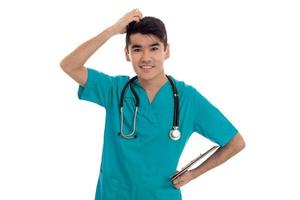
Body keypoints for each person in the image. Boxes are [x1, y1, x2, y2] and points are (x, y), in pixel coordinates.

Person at [60, 9, 245, 200]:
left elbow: (235, 142)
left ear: (167, 51)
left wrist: (193, 174)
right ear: (127, 53)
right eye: (137, 49)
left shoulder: (187, 99)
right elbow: (69, 65)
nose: (146, 58)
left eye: (154, 48)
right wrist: (113, 30)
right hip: (114, 194)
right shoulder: (114, 90)